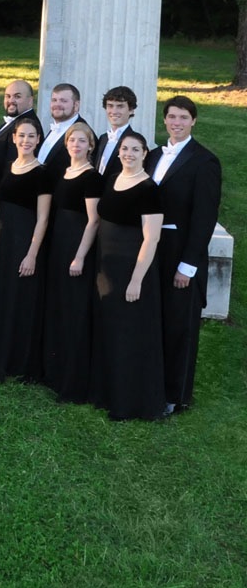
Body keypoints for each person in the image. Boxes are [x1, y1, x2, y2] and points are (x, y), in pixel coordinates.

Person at [147, 95, 222, 413]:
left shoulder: (205, 161)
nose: (176, 122)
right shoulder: (151, 156)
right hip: (151, 249)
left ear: (193, 121)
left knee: (179, 324)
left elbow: (204, 218)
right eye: (171, 116)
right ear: (164, 120)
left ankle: (175, 395)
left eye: (183, 117)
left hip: (181, 252)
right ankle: (149, 385)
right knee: (153, 318)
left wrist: (188, 265)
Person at [93, 130, 167, 421]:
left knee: (129, 334)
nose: (128, 154)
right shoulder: (111, 179)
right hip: (106, 266)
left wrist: (136, 279)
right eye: (125, 148)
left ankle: (129, 402)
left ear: (145, 154)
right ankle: (105, 392)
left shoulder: (150, 190)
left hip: (133, 268)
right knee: (108, 329)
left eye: (136, 149)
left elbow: (151, 239)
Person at [0, 119, 52, 382]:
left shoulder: (43, 173)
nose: (25, 140)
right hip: (4, 240)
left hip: (26, 241)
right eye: (21, 135)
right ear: (14, 138)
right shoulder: (9, 167)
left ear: (38, 140)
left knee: (21, 301)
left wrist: (32, 253)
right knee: (3, 298)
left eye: (31, 136)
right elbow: (1, 208)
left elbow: (43, 218)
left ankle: (19, 363)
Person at [42, 123, 102, 403]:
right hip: (58, 242)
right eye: (71, 140)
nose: (75, 144)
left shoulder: (92, 178)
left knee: (74, 312)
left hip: (77, 246)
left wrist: (79, 256)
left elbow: (94, 220)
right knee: (58, 307)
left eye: (82, 141)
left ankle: (73, 383)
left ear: (90, 146)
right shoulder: (64, 172)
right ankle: (54, 373)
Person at [0, 80, 42, 174]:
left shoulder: (27, 126)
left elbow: (15, 161)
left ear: (30, 101)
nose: (11, 100)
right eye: (8, 96)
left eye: (17, 96)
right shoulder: (14, 120)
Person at [37, 83, 85, 181]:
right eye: (54, 100)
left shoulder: (83, 133)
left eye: (63, 101)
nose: (57, 105)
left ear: (76, 105)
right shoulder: (56, 127)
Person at [96, 85, 136, 179]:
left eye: (120, 106)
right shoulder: (103, 138)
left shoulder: (135, 141)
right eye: (110, 106)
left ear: (131, 110)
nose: (114, 111)